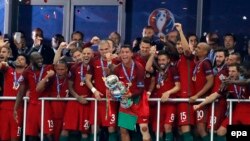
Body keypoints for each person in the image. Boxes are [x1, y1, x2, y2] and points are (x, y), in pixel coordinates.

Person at [194, 63, 250, 141]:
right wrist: (200, 105)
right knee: (221, 132)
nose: (230, 73)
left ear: (239, 72)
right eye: (229, 71)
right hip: (237, 111)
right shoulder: (227, 84)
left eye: (233, 71)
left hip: (248, 111)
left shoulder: (244, 81)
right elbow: (215, 95)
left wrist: (233, 82)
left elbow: (247, 82)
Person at [14, 52, 54, 141]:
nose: (40, 61)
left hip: (45, 105)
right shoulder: (27, 72)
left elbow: (55, 61)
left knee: (48, 133)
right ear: (31, 61)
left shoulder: (47, 68)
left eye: (41, 58)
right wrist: (15, 108)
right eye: (37, 59)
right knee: (31, 134)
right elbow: (21, 92)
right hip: (32, 105)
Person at [114, 45, 151, 141]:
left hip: (139, 101)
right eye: (122, 52)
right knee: (124, 130)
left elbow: (141, 88)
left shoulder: (139, 67)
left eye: (127, 52)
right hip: (126, 102)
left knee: (144, 129)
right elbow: (114, 85)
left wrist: (131, 94)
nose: (124, 54)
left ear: (131, 54)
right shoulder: (117, 69)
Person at [85, 40, 119, 141]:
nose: (104, 52)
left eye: (106, 49)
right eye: (101, 50)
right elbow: (87, 79)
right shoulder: (94, 61)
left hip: (111, 100)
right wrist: (94, 91)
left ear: (111, 49)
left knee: (111, 128)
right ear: (98, 50)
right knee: (94, 128)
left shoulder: (117, 61)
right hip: (97, 99)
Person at [146, 48, 180, 141]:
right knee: (158, 130)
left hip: (170, 104)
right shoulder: (157, 71)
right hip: (159, 104)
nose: (161, 62)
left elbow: (178, 86)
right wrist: (152, 55)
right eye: (159, 60)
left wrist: (168, 92)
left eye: (163, 60)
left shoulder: (173, 69)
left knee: (167, 126)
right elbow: (147, 68)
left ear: (168, 60)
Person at [60, 47, 94, 141]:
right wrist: (77, 97)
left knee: (85, 132)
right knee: (65, 129)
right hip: (74, 101)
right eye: (84, 53)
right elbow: (70, 86)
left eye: (88, 53)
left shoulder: (95, 67)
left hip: (88, 103)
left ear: (93, 55)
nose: (86, 55)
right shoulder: (75, 67)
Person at [35, 58, 69, 141]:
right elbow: (38, 89)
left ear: (66, 69)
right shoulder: (51, 78)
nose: (60, 72)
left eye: (62, 69)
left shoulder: (70, 78)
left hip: (64, 112)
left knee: (62, 134)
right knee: (49, 134)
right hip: (51, 112)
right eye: (58, 69)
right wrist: (47, 76)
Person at [189, 42, 214, 141]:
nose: (196, 49)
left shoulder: (206, 63)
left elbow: (210, 81)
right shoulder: (198, 62)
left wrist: (197, 95)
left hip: (202, 100)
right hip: (197, 100)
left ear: (205, 52)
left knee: (201, 129)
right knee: (195, 130)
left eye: (199, 48)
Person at [175, 23, 195, 141]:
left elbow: (187, 49)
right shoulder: (178, 60)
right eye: (177, 44)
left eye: (181, 43)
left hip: (186, 97)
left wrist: (180, 31)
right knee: (181, 131)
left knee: (186, 129)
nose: (180, 46)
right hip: (179, 98)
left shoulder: (188, 57)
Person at [0, 54, 28, 141]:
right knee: (4, 137)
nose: (19, 60)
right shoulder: (8, 70)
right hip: (4, 109)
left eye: (22, 59)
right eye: (18, 58)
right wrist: (4, 63)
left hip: (18, 110)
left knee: (15, 137)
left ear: (26, 64)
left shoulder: (28, 75)